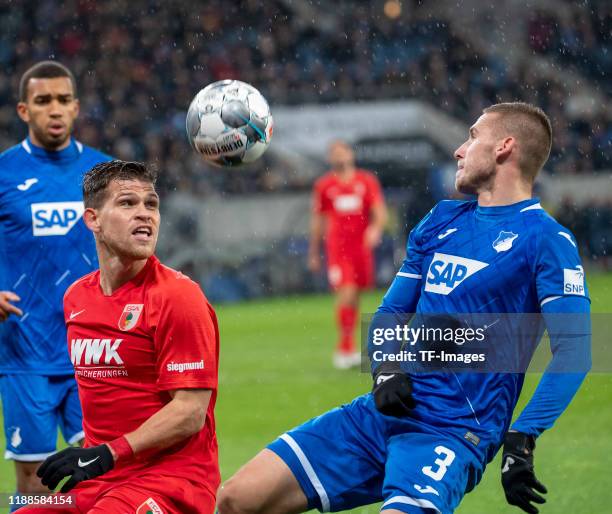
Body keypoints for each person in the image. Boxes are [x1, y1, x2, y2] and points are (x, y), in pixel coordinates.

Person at [216, 102, 591, 514]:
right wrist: (386, 368)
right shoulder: (441, 220)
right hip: (379, 415)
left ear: (505, 147)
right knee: (237, 499)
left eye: (471, 137)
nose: (459, 151)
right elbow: (391, 314)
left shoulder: (547, 241)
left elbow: (574, 350)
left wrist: (523, 435)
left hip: (452, 431)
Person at [20, 160, 220, 513]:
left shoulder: (178, 297)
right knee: (21, 507)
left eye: (152, 204)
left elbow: (190, 412)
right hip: (101, 479)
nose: (145, 214)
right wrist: (92, 456)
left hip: (171, 480)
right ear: (93, 219)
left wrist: (109, 453)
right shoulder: (76, 298)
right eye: (128, 203)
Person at [0, 60, 110, 506]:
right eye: (43, 101)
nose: (55, 109)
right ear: (25, 111)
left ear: (77, 107)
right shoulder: (5, 173)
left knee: (102, 472)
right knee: (35, 485)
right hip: (26, 352)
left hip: (96, 348)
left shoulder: (104, 174)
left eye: (63, 100)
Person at [308, 141, 388, 369]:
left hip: (360, 248)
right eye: (334, 153)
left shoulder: (366, 181)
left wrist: (375, 229)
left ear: (351, 155)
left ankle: (350, 347)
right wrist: (314, 252)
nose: (339, 157)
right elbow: (318, 220)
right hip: (338, 249)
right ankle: (344, 347)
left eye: (343, 152)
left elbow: (379, 211)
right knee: (346, 291)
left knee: (355, 295)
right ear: (329, 159)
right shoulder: (324, 186)